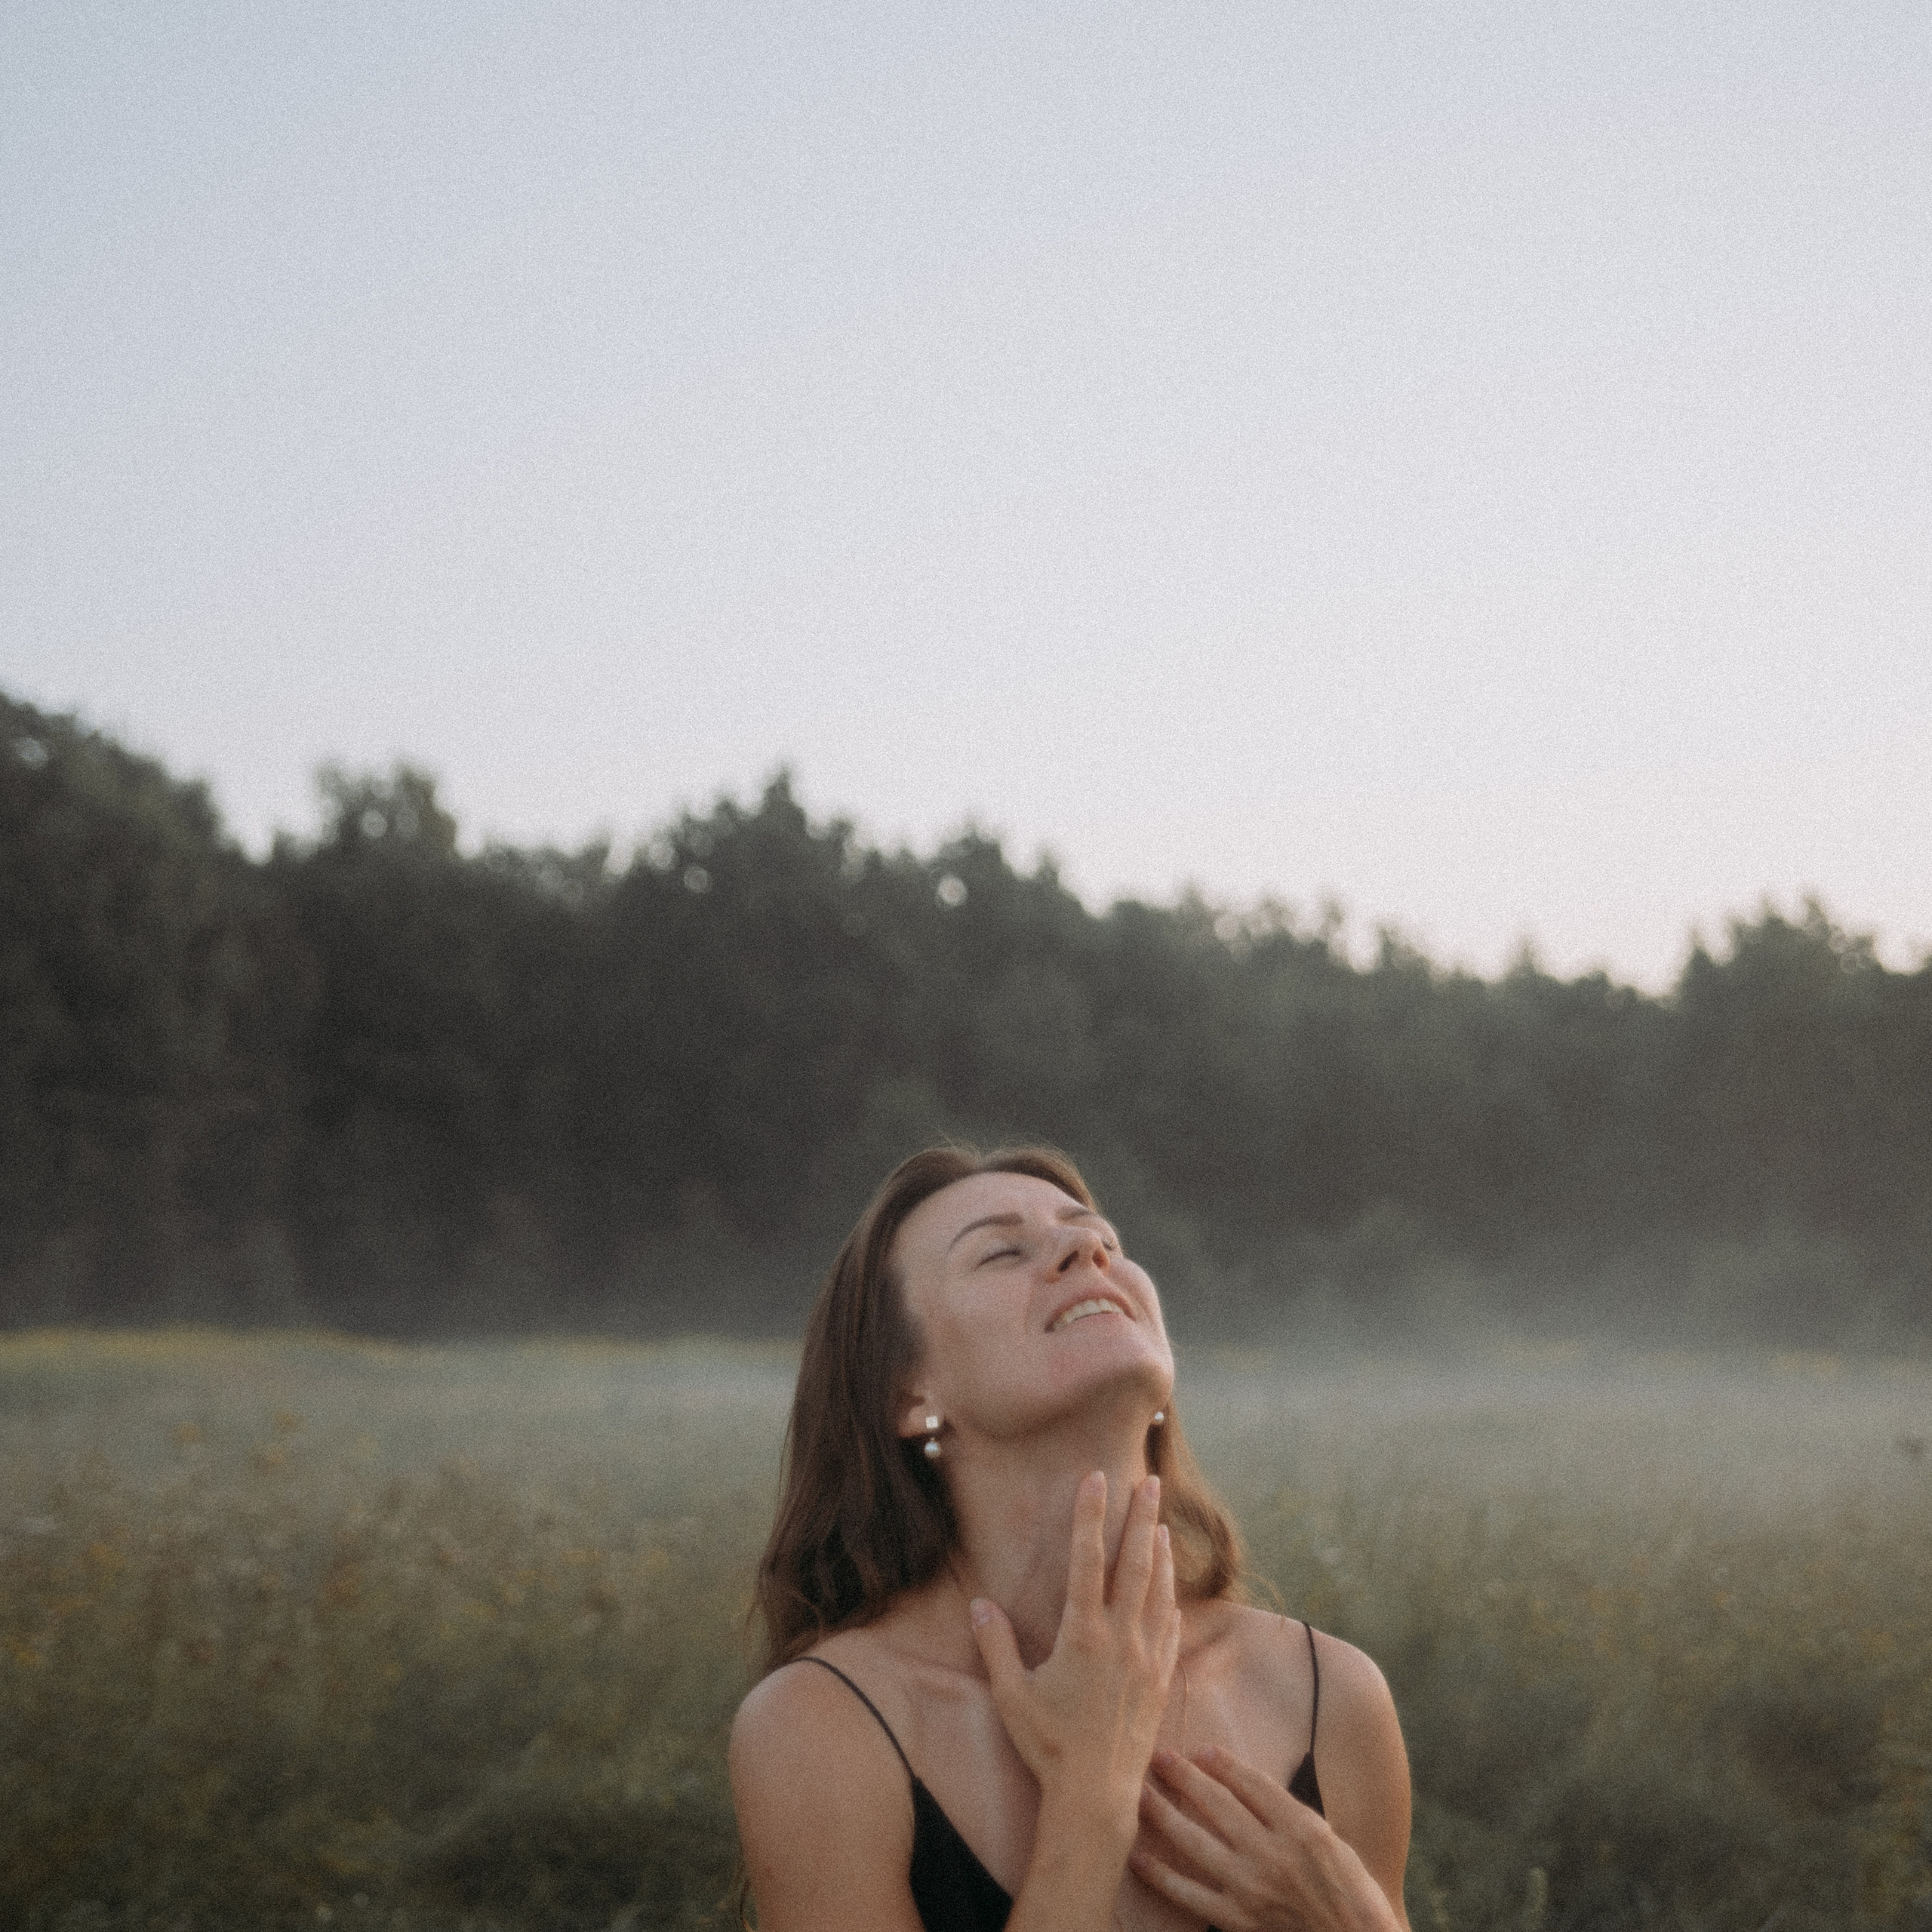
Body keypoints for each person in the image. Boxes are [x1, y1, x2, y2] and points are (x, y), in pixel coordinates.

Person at [731, 1146, 1412, 1932]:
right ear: (908, 1391)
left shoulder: (1329, 1693)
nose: (1083, 1251)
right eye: (1001, 1251)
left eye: (1102, 1241)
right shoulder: (822, 1726)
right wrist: (1090, 1796)